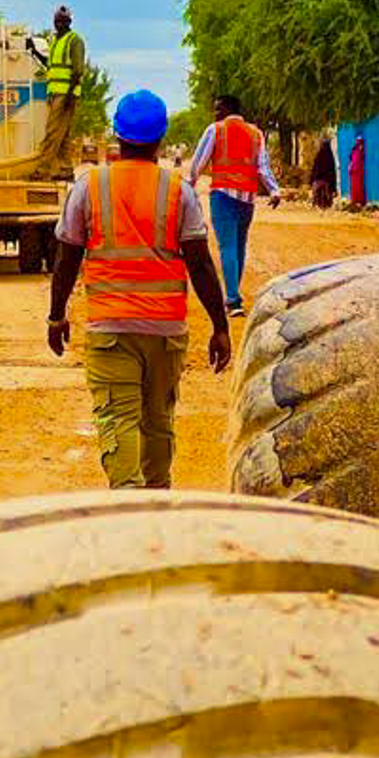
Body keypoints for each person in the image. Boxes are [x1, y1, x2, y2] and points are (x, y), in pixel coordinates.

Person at [47, 90, 232, 490]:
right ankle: (158, 496)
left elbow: (66, 259)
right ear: (161, 137)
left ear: (118, 134)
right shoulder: (177, 191)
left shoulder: (89, 186)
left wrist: (56, 315)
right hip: (165, 331)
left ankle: (129, 503)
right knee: (158, 421)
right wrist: (220, 325)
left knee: (119, 419)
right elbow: (199, 263)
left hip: (111, 329)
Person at [188, 95, 282, 319]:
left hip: (223, 195)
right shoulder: (256, 133)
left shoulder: (216, 130)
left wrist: (189, 185)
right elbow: (263, 167)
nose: (215, 114)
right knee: (239, 247)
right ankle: (233, 296)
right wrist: (274, 190)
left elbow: (198, 163)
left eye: (218, 109)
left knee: (227, 247)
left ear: (228, 109)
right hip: (247, 198)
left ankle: (232, 300)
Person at [31, 6, 86, 178]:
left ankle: (43, 170)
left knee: (53, 132)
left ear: (69, 22)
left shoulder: (74, 40)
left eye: (63, 21)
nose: (59, 24)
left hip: (65, 94)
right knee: (63, 135)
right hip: (54, 92)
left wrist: (70, 95)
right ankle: (65, 169)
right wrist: (33, 51)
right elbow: (51, 65)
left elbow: (77, 71)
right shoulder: (55, 40)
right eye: (57, 21)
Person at [309, 138, 338, 210]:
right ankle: (324, 204)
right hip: (326, 179)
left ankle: (317, 203)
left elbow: (314, 168)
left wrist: (312, 179)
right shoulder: (329, 156)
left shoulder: (319, 155)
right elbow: (332, 170)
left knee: (317, 190)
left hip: (320, 179)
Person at [347, 136, 367, 208]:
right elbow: (351, 160)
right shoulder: (354, 150)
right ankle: (355, 200)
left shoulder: (361, 150)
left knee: (360, 186)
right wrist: (350, 168)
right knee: (355, 186)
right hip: (354, 171)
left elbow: (362, 159)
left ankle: (361, 201)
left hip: (359, 171)